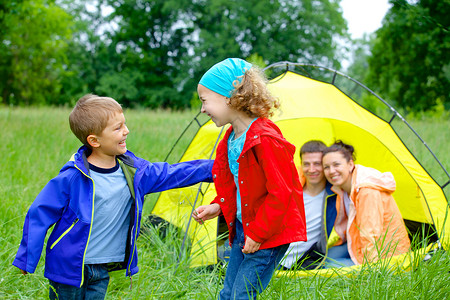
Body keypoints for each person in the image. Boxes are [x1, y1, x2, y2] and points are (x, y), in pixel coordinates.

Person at [12, 94, 214, 299]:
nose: (126, 131)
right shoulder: (73, 176)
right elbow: (40, 212)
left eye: (124, 124)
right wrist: (26, 258)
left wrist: (217, 168)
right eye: (117, 128)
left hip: (102, 268)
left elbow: (173, 173)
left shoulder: (135, 173)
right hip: (68, 267)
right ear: (94, 140)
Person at [191, 58, 306, 300]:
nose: (202, 109)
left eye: (204, 100)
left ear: (229, 97)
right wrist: (218, 206)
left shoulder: (265, 139)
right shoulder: (232, 138)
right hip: (245, 228)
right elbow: (238, 184)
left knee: (241, 294)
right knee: (228, 292)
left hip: (267, 233)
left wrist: (258, 234)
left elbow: (281, 193)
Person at [322, 140, 411, 266]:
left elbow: (371, 233)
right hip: (358, 241)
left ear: (350, 165)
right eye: (326, 167)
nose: (331, 171)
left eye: (336, 165)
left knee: (327, 267)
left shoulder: (366, 191)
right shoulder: (341, 189)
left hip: (385, 254)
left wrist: (372, 269)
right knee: (321, 260)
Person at [280, 140, 337, 270]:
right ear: (301, 165)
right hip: (273, 258)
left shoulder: (335, 197)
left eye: (317, 164)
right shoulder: (291, 191)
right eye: (306, 164)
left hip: (302, 264)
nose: (311, 170)